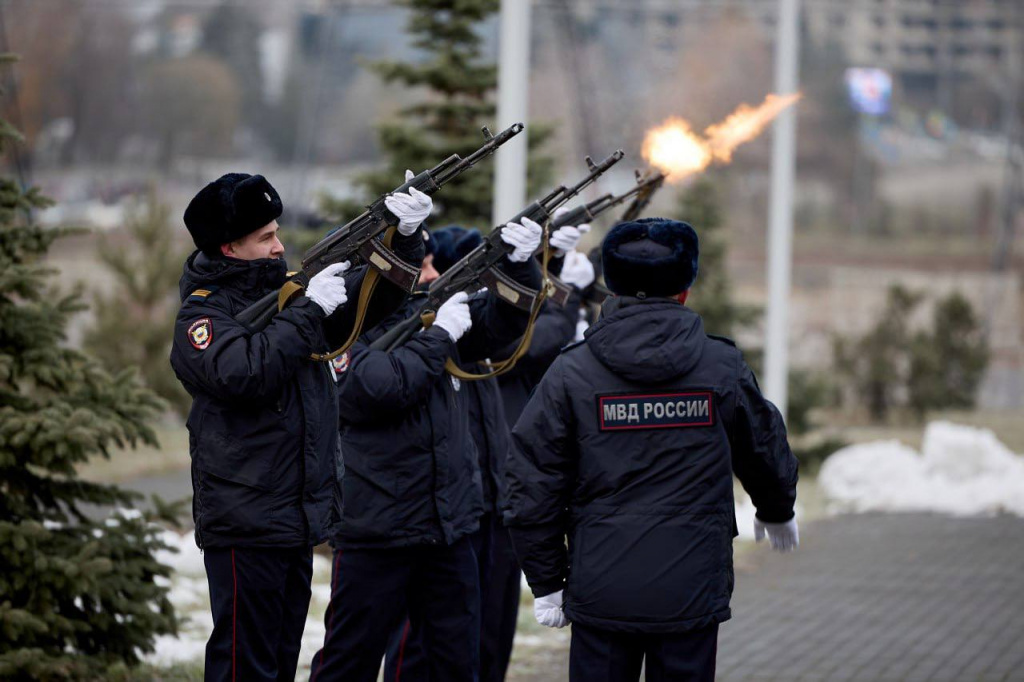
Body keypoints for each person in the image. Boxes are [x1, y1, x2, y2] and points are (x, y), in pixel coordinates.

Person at [503, 217, 800, 682]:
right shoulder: (721, 367)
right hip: (691, 588)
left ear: (612, 286)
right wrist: (776, 509)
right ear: (684, 289)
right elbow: (763, 447)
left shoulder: (571, 374)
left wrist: (546, 582)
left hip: (601, 589)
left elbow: (531, 480)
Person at [169, 171, 430, 682]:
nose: (278, 246)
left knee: (280, 660)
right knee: (245, 664)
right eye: (265, 237)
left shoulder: (289, 298)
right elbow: (245, 372)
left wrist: (404, 238)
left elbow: (371, 302)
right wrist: (310, 308)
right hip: (246, 521)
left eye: (276, 232)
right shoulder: (202, 316)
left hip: (293, 519)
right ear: (229, 247)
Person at [309, 218, 544, 682]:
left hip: (447, 528)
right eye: (422, 264)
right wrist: (439, 338)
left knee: (458, 663)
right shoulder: (343, 327)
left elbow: (504, 325)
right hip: (377, 531)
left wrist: (520, 269)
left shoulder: (428, 315)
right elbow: (376, 388)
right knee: (348, 663)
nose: (433, 274)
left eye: (432, 261)